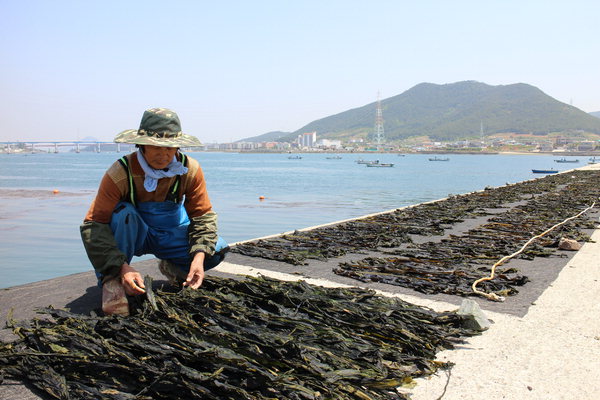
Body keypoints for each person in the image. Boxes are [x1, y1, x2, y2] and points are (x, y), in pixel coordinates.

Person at [80, 108, 228, 316]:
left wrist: (198, 257)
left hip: (168, 234)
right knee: (124, 214)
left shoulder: (190, 170)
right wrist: (121, 267)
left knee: (216, 249)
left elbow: (202, 217)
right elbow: (94, 224)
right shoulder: (120, 172)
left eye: (170, 147)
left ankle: (174, 267)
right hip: (132, 235)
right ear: (141, 144)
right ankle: (112, 280)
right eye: (156, 147)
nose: (164, 154)